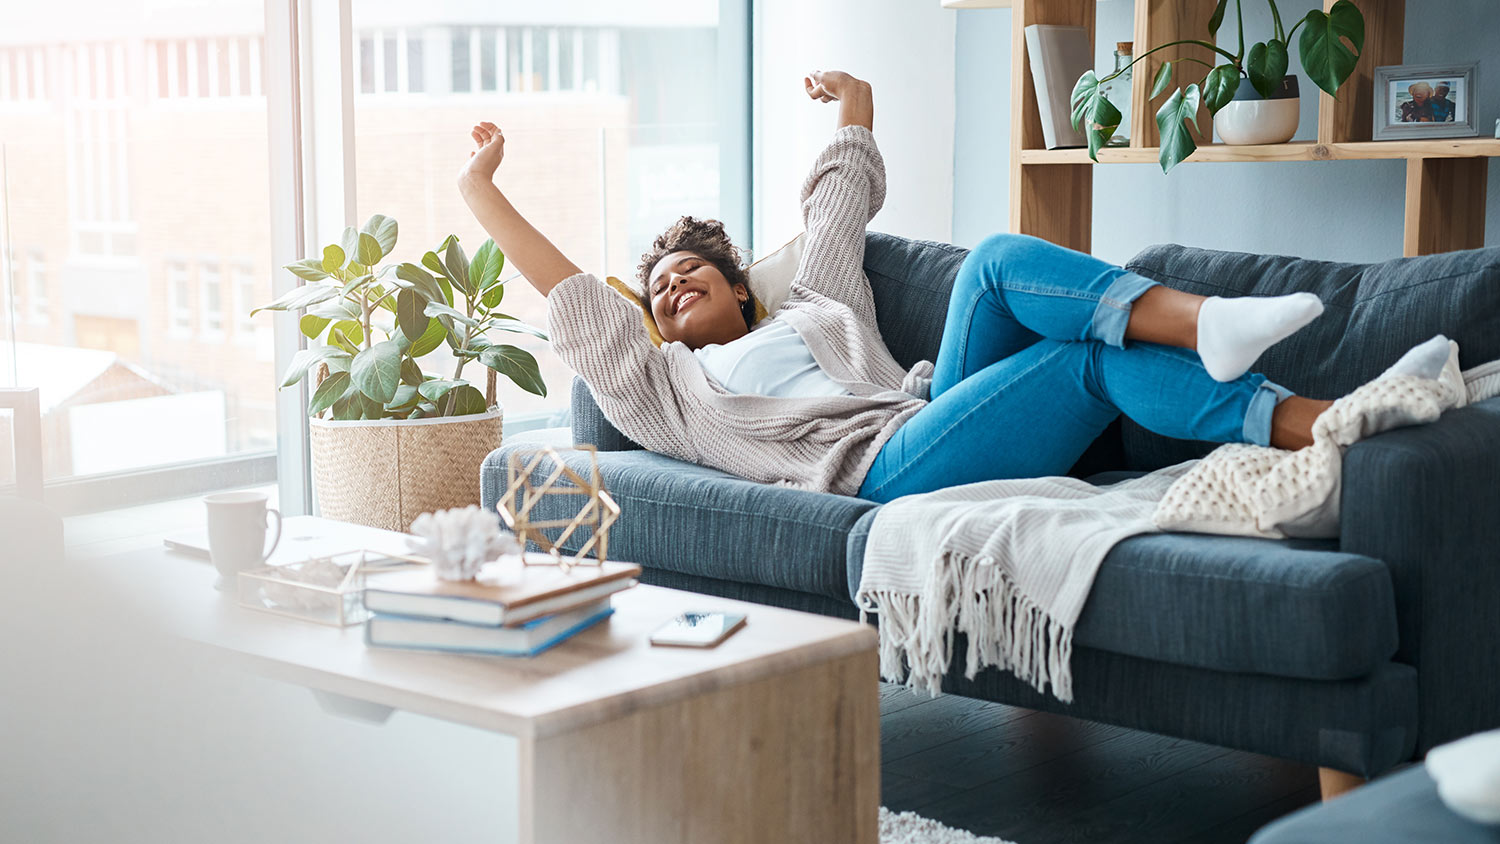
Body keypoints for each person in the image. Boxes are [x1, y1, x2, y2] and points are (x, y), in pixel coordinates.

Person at [457, 70, 1451, 503]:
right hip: (877, 469)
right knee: (1083, 366)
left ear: (741, 290)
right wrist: (479, 190)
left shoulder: (814, 306)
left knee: (996, 259)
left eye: (690, 274)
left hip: (926, 410)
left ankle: (1234, 341)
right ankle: (1305, 406)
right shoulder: (667, 390)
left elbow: (838, 208)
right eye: (659, 290)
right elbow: (577, 299)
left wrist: (856, 102)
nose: (671, 290)